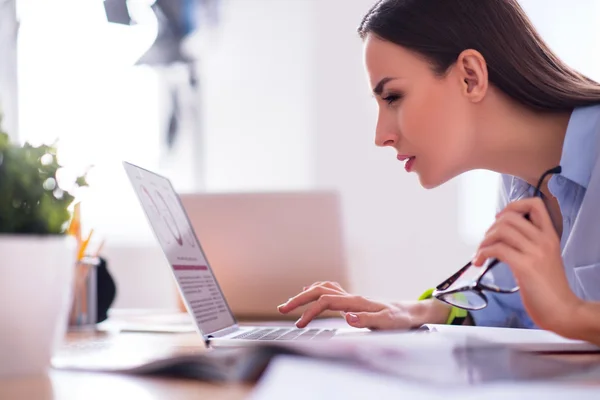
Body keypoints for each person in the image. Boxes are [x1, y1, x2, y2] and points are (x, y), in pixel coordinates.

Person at [278, 0, 600, 346]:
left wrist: (569, 313)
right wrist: (413, 312)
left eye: (393, 96)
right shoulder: (520, 182)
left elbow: (556, 310)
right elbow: (509, 302)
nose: (380, 135)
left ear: (469, 76)